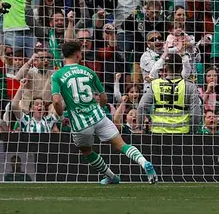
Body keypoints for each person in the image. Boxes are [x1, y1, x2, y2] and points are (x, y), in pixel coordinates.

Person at [51, 40, 157, 185]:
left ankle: (111, 176)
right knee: (122, 144)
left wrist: (62, 116)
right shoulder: (89, 72)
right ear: (77, 54)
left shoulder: (57, 75)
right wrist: (98, 108)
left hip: (81, 124)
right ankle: (144, 163)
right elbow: (104, 97)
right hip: (99, 117)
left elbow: (56, 101)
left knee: (86, 151)